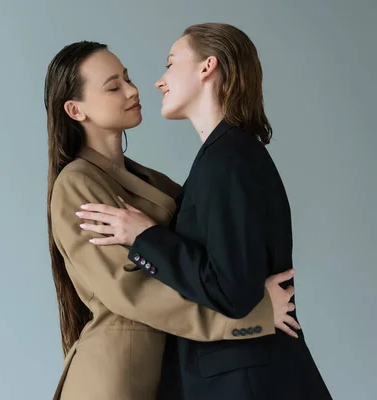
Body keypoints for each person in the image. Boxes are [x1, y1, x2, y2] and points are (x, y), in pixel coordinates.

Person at [78, 23, 331, 399]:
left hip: (245, 381)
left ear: (206, 67)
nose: (159, 81)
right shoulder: (227, 155)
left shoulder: (227, 159)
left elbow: (232, 290)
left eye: (171, 63)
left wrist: (144, 236)